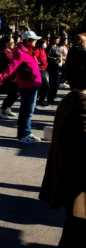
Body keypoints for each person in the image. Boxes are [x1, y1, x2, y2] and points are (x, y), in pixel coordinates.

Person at [40, 46, 86, 246]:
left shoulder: (71, 99)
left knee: (73, 231)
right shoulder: (82, 104)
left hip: (71, 181)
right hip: (79, 185)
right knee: (76, 231)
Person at [0, 30, 42, 143]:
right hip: (28, 85)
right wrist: (1, 78)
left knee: (28, 111)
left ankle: (26, 132)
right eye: (34, 40)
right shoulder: (20, 52)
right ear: (27, 41)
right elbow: (12, 67)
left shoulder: (29, 51)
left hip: (32, 84)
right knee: (27, 111)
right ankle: (24, 134)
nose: (36, 41)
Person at [0, 36, 19, 119]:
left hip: (13, 76)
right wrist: (10, 65)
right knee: (13, 93)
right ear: (7, 44)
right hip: (7, 77)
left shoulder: (12, 51)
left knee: (16, 93)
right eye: (12, 42)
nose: (13, 44)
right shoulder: (4, 53)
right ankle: (2, 110)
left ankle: (8, 108)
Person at [47, 34, 64, 104]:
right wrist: (55, 58)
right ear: (53, 39)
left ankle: (53, 95)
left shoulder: (56, 47)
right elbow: (47, 56)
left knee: (56, 82)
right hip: (52, 66)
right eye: (57, 39)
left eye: (59, 39)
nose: (58, 40)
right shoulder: (50, 47)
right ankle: (50, 97)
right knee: (53, 82)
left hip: (57, 65)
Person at [35, 36, 50, 106]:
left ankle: (39, 100)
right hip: (39, 70)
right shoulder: (37, 50)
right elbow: (34, 60)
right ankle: (40, 100)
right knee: (46, 86)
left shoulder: (43, 50)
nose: (46, 44)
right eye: (44, 43)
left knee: (42, 87)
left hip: (44, 70)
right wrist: (40, 63)